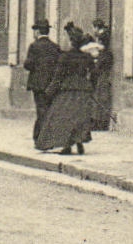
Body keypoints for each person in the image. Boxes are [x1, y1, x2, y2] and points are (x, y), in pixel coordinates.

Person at [36, 23, 97, 155]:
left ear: (71, 41)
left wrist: (49, 91)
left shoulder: (65, 57)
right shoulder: (87, 57)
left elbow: (58, 76)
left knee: (64, 118)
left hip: (68, 89)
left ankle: (67, 146)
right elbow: (94, 73)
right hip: (83, 90)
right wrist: (91, 86)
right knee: (80, 117)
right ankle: (79, 142)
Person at [23, 19, 60, 148]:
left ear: (38, 31)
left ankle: (39, 138)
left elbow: (28, 64)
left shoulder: (34, 46)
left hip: (38, 85)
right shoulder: (55, 46)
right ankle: (49, 138)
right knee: (49, 111)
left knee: (41, 111)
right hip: (52, 85)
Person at [87, 18, 116, 132]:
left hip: (102, 76)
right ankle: (98, 122)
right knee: (99, 98)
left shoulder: (105, 53)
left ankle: (100, 123)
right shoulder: (104, 53)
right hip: (101, 75)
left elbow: (100, 63)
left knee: (100, 98)